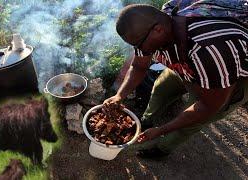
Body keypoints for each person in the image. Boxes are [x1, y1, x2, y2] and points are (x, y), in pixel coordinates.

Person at [103, 4, 248, 158]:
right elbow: (139, 66)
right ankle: (146, 120)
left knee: (191, 122)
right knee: (161, 87)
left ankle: (161, 148)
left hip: (228, 79)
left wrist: (163, 129)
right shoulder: (158, 21)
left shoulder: (210, 50)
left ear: (158, 30)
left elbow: (207, 106)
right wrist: (120, 95)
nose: (139, 50)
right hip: (191, 62)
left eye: (138, 44)